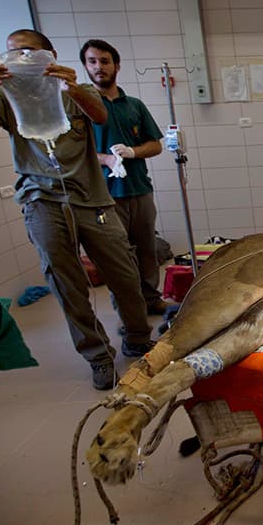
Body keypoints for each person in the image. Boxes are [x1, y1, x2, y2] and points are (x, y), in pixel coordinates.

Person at [0, 29, 154, 390]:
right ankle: (98, 356)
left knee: (125, 272)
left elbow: (100, 117)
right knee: (67, 284)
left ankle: (137, 336)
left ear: (49, 55)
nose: (22, 59)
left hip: (92, 197)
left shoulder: (71, 91)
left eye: (30, 52)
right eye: (14, 53)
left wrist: (73, 88)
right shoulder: (5, 93)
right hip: (42, 198)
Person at [80, 39, 175, 317]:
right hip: (104, 196)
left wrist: (132, 151)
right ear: (86, 66)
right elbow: (72, 152)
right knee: (118, 259)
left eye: (105, 61)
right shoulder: (81, 109)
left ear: (116, 66)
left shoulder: (133, 105)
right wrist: (104, 158)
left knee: (147, 251)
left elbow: (156, 144)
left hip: (139, 190)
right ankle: (129, 312)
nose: (99, 67)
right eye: (92, 61)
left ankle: (151, 300)